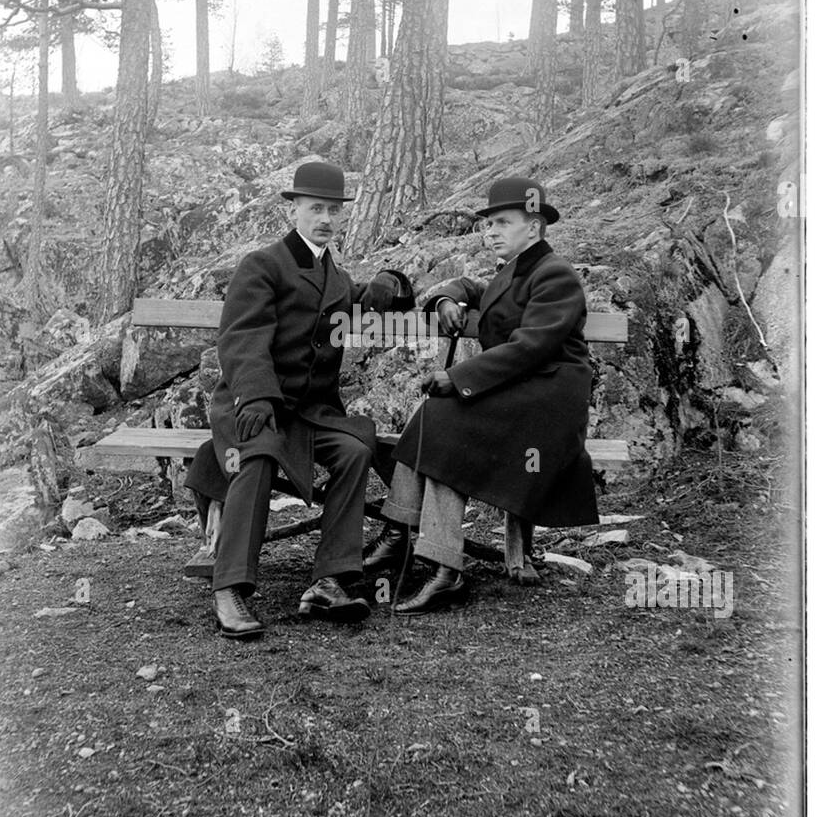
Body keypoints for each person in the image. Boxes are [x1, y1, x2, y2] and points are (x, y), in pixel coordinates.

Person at [185, 161, 412, 639]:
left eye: (333, 210)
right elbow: (242, 339)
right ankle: (230, 588)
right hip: (254, 403)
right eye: (315, 208)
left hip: (309, 413)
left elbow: (357, 297)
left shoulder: (334, 273)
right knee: (258, 454)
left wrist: (389, 283)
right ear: (295, 210)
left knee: (354, 451)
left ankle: (330, 579)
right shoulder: (263, 265)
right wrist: (256, 397)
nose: (325, 218)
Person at [363, 175, 599, 612]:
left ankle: (424, 552)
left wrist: (459, 377)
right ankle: (421, 550)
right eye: (487, 224)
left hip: (547, 404)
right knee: (439, 417)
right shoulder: (517, 271)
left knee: (443, 417)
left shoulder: (556, 275)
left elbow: (531, 347)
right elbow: (473, 289)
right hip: (520, 393)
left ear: (534, 227)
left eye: (502, 223)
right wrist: (444, 300)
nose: (490, 232)